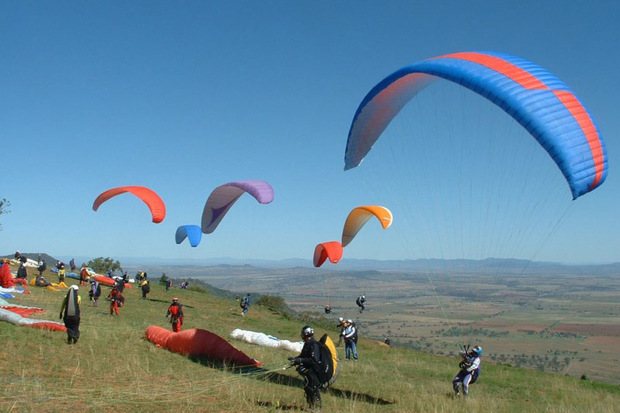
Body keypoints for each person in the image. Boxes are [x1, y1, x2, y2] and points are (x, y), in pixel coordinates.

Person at [288, 325, 322, 411]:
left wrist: (300, 360)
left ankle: (317, 408)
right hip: (307, 371)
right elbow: (303, 356)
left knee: (313, 388)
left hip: (313, 371)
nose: (302, 336)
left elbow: (314, 360)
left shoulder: (314, 344)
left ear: (306, 334)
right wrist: (295, 359)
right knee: (308, 388)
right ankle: (311, 406)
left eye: (303, 334)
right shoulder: (307, 344)